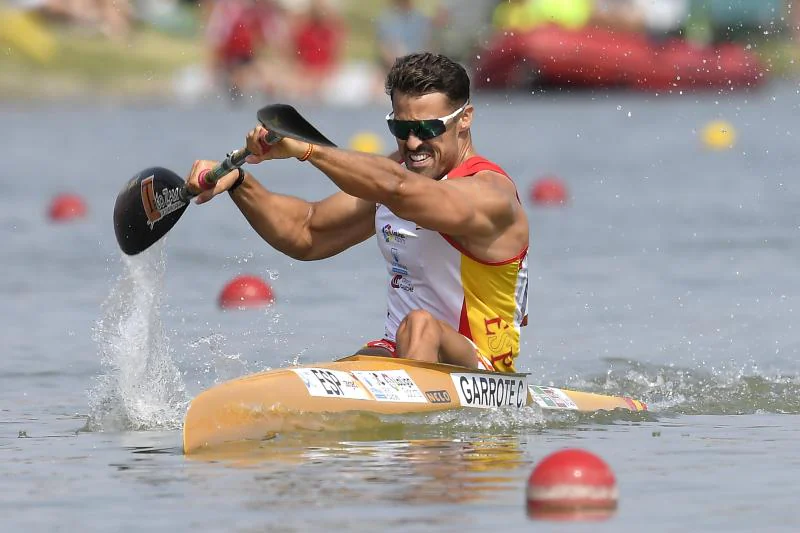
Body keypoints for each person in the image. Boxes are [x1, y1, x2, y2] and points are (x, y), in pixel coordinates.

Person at [184, 52, 530, 373]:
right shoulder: (391, 178)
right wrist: (239, 182)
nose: (412, 143)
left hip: (483, 372)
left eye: (428, 129)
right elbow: (306, 233)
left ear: (465, 118)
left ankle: (416, 426)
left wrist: (307, 149)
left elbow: (399, 189)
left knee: (420, 324)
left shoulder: (490, 195)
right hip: (399, 351)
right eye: (401, 128)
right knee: (323, 376)